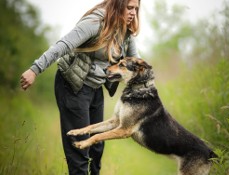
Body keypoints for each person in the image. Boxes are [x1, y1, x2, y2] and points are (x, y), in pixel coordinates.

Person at [20, 0, 141, 174]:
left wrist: (148, 89)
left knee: (97, 147)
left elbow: (136, 61)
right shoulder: (94, 23)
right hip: (72, 86)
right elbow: (63, 45)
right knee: (79, 150)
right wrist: (35, 69)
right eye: (129, 8)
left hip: (95, 89)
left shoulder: (125, 31)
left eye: (136, 9)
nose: (133, 13)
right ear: (117, 5)